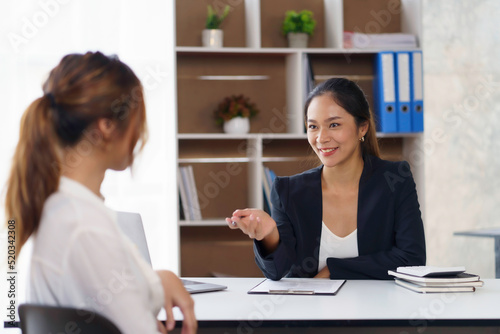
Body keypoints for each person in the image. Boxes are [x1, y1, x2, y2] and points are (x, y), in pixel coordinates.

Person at [5, 52, 197, 333]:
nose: (141, 133)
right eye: (137, 118)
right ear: (106, 126)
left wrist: (157, 283)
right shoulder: (84, 227)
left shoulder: (65, 212)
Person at [226, 78, 426, 280]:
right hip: (311, 310)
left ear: (362, 127)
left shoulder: (395, 180)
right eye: (313, 127)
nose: (321, 138)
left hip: (379, 309)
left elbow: (412, 259)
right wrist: (267, 236)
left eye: (334, 124)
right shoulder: (288, 191)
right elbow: (277, 272)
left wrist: (334, 270)